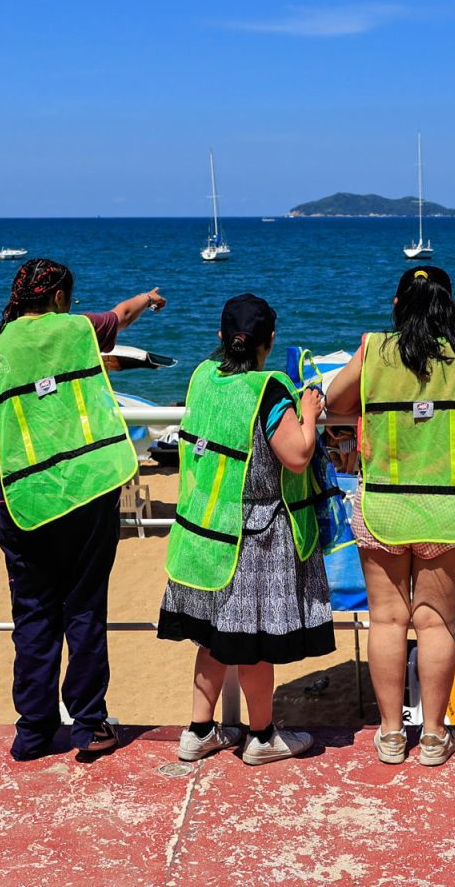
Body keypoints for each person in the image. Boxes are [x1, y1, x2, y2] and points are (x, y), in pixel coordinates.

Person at [0, 259, 162, 761]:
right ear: (60, 298)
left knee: (34, 614)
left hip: (25, 500)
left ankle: (34, 731)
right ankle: (88, 725)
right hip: (89, 488)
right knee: (84, 608)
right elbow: (121, 315)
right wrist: (149, 299)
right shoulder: (80, 330)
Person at [325, 267, 455, 766]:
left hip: (385, 500)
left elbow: (334, 402)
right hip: (445, 505)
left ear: (396, 303)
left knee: (387, 618)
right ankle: (432, 735)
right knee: (435, 622)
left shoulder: (375, 350)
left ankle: (390, 734)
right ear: (449, 305)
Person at [158, 294, 334, 766]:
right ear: (269, 341)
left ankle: (198, 731)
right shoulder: (269, 392)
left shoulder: (202, 377)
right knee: (255, 644)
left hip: (207, 525)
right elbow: (296, 454)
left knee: (214, 637)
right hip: (257, 531)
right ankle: (261, 737)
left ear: (220, 337)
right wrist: (311, 414)